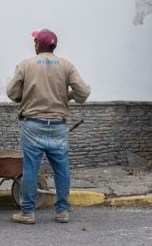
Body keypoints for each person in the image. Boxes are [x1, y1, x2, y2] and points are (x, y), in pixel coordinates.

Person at [6, 28, 91, 224]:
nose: (34, 44)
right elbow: (83, 95)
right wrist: (66, 96)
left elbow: (12, 93)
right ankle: (62, 211)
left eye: (35, 41)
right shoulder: (66, 66)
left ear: (38, 45)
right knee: (62, 169)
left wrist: (25, 96)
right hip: (58, 126)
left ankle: (27, 213)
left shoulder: (26, 64)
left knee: (30, 170)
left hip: (33, 125)